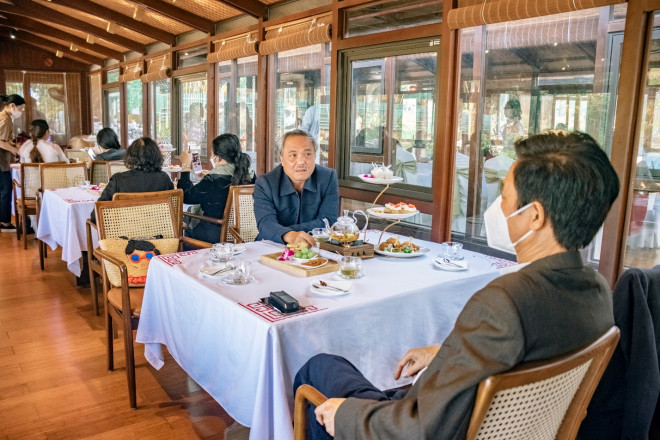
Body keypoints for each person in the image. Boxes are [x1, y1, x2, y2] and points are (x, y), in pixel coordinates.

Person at [294, 131, 620, 439]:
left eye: (504, 196)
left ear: (534, 216)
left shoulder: (503, 302)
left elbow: (421, 429)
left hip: (424, 425)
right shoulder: (596, 290)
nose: (499, 208)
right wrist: (446, 353)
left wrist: (346, 415)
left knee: (317, 370)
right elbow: (524, 354)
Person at [253, 129, 339, 246]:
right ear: (282, 159)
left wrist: (284, 230)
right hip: (274, 245)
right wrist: (288, 235)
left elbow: (328, 221)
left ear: (315, 156)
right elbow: (266, 223)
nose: (301, 161)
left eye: (307, 154)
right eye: (293, 155)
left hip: (314, 246)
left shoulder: (328, 178)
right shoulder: (265, 183)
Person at [178, 134, 256, 243]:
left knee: (187, 225)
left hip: (214, 233)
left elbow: (185, 196)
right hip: (242, 233)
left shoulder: (213, 180)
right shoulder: (250, 175)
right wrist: (210, 176)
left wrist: (185, 166)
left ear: (218, 157)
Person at [90, 137, 173, 222]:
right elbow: (172, 210)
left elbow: (96, 216)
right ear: (156, 156)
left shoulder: (118, 180)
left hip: (123, 234)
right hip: (160, 233)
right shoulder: (164, 178)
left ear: (130, 156)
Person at [0, 94, 26, 232]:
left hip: (3, 159)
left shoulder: (5, 117)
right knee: (5, 191)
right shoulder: (4, 119)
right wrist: (16, 151)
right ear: (12, 106)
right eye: (20, 109)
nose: (20, 112)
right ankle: (5, 223)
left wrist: (13, 147)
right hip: (1, 161)